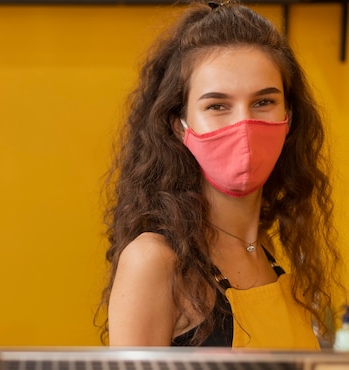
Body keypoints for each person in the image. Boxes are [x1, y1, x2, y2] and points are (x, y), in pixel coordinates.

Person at [99, 0, 345, 348]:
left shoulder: (273, 251)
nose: (243, 125)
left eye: (263, 102)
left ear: (289, 117)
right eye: (217, 106)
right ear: (180, 126)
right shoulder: (155, 262)